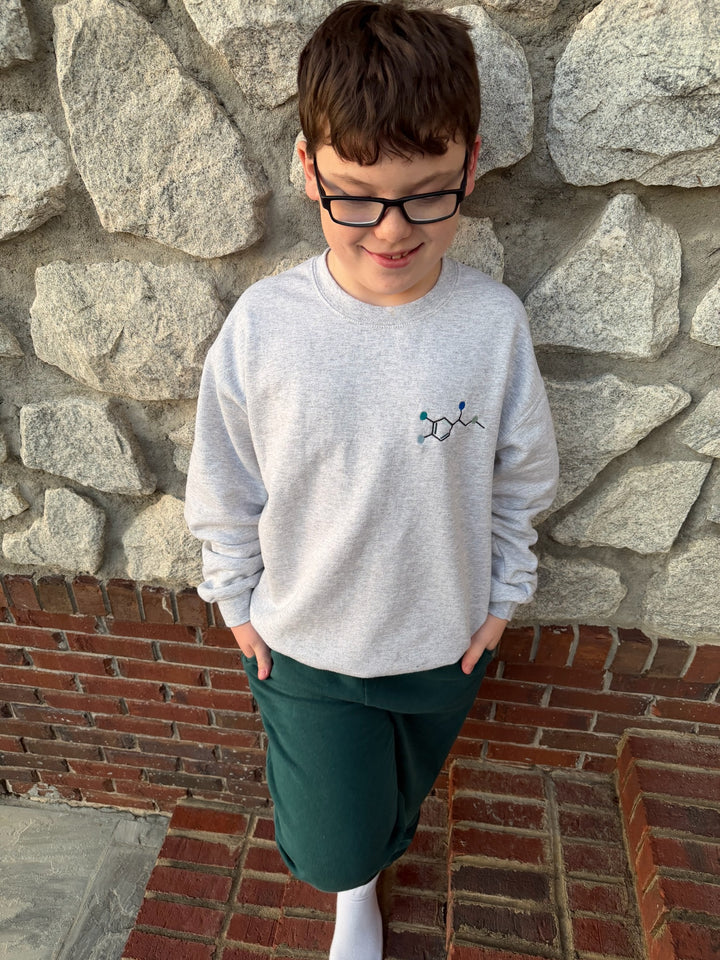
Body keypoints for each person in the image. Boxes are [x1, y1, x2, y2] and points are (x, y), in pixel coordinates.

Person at [185, 3, 559, 958]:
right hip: (305, 645)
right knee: (329, 839)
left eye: (428, 194)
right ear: (309, 170)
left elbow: (521, 477)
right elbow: (224, 476)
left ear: (470, 167)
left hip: (445, 638)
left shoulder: (492, 325)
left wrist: (504, 601)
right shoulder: (266, 325)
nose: (391, 230)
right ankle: (355, 889)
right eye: (355, 195)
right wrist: (235, 602)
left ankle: (377, 854)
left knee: (402, 789)